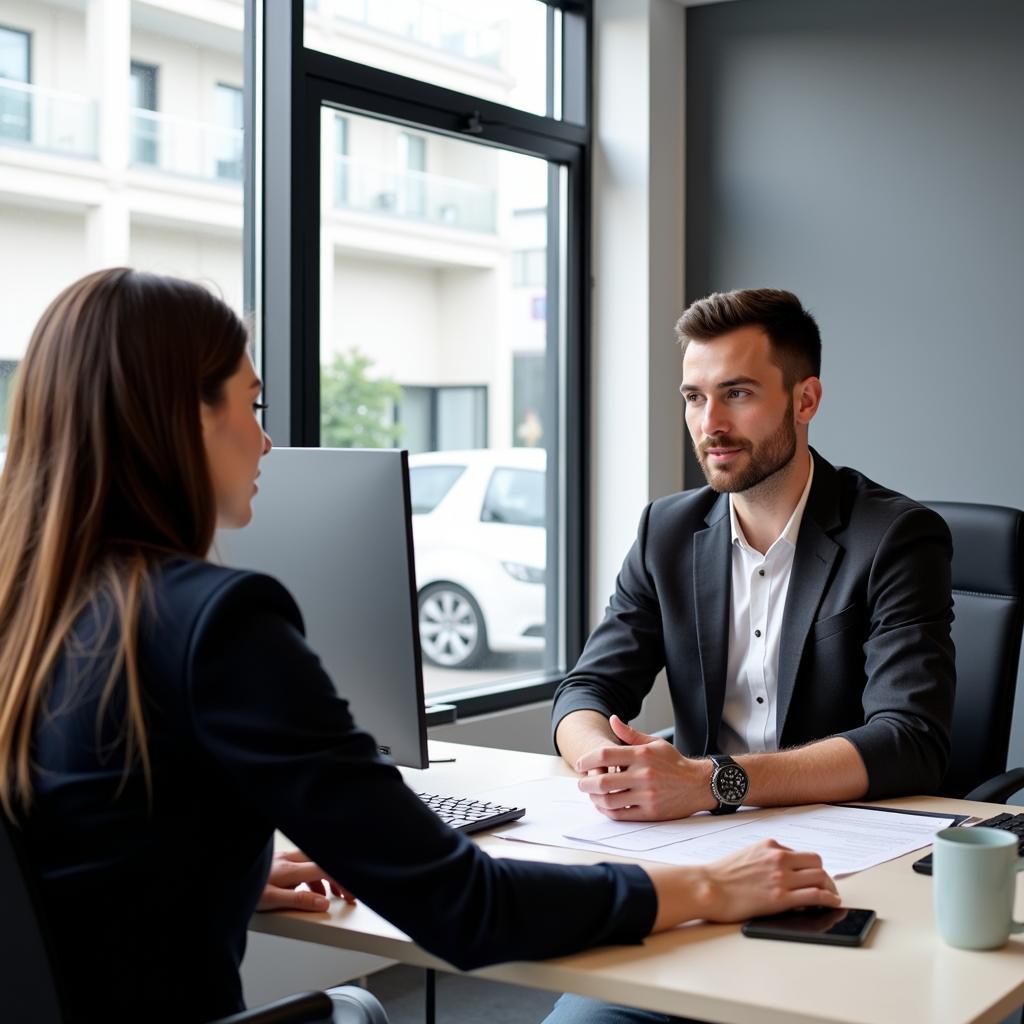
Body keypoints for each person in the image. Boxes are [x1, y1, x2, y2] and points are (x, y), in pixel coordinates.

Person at [0, 269, 839, 1024]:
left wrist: (219, 874)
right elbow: (462, 904)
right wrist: (704, 884)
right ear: (185, 417)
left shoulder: (29, 610)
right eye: (252, 406)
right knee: (361, 1011)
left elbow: (70, 846)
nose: (264, 441)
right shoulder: (215, 622)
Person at [541, 288, 956, 1024]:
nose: (711, 425)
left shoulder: (894, 537)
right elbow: (587, 687)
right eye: (695, 398)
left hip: (848, 877)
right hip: (702, 869)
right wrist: (603, 764)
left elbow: (910, 740)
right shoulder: (667, 531)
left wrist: (712, 781)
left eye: (737, 394)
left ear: (806, 399)